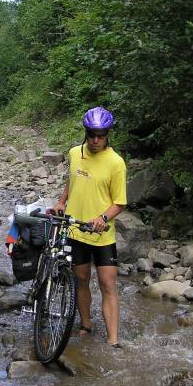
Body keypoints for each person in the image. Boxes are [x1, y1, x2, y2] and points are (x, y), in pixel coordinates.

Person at [52, 106, 127, 347]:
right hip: (76, 229)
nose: (96, 140)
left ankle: (113, 340)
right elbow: (71, 180)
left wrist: (103, 218)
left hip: (102, 235)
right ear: (86, 132)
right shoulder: (75, 153)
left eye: (101, 135)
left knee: (107, 284)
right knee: (81, 279)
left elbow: (120, 202)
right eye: (92, 134)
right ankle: (86, 325)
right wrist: (62, 201)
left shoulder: (116, 163)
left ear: (108, 134)